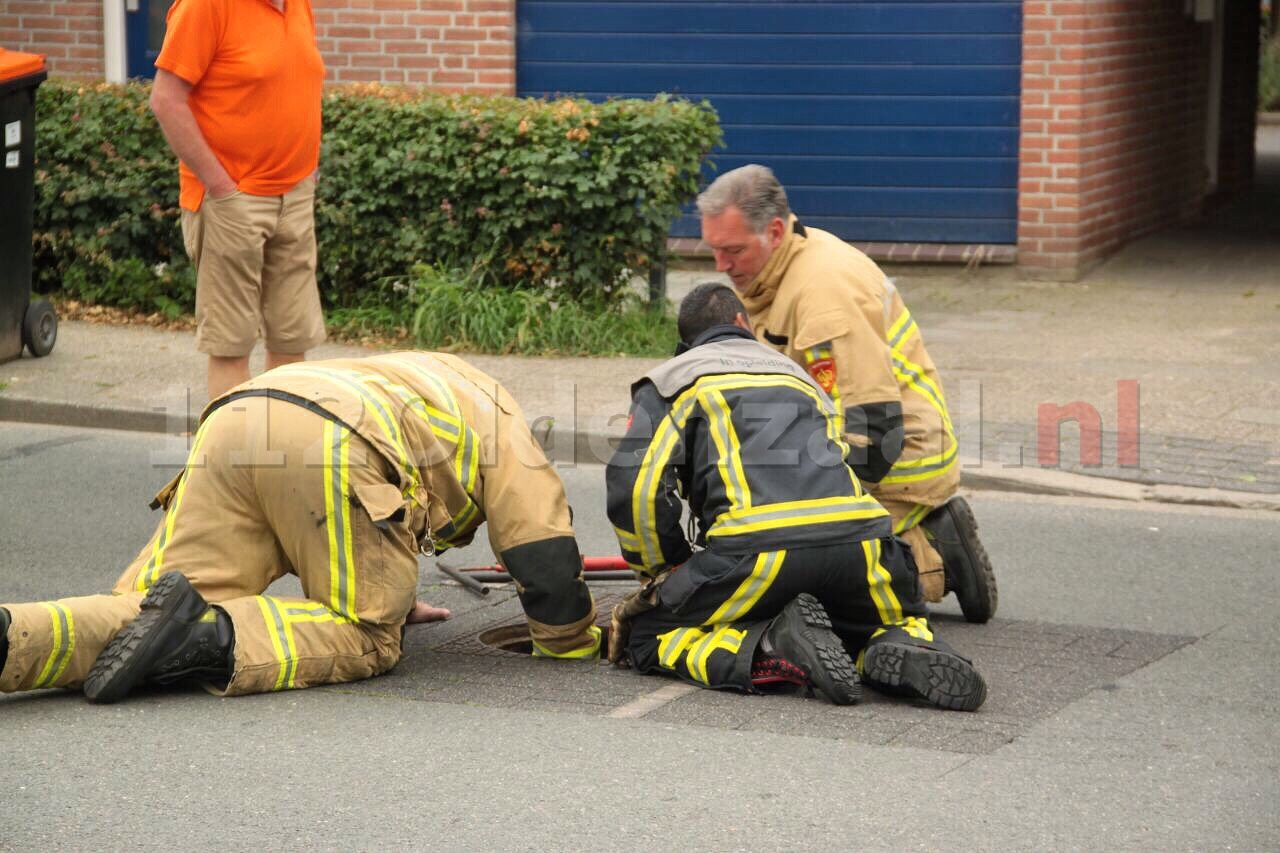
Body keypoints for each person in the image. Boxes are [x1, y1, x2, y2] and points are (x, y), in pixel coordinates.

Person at [0, 352, 601, 702]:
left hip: (240, 417)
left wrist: (395, 582)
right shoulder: (505, 417)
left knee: (138, 609)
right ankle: (209, 636)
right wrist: (569, 642)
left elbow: (406, 484)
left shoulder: (429, 379)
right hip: (338, 441)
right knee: (366, 634)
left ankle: (13, 639)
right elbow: (538, 541)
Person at [604, 284, 986, 711]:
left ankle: (771, 648)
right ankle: (899, 645)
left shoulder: (673, 380)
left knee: (647, 636)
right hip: (864, 549)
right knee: (883, 620)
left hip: (757, 554)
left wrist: (663, 568)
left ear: (685, 344)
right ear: (743, 325)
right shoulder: (798, 377)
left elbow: (634, 489)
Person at [696, 164, 998, 623]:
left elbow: (873, 425)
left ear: (774, 231)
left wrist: (821, 515)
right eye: (715, 251)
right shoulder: (782, 271)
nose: (721, 266)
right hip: (845, 444)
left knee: (807, 579)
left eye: (733, 250)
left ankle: (934, 556)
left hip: (900, 458)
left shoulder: (823, 293)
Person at [150, 0, 328, 399]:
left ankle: (282, 453)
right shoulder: (205, 6)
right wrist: (219, 185)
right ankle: (234, 459)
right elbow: (165, 99)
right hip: (234, 201)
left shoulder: (298, 5)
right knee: (231, 346)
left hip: (295, 196)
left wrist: (307, 170)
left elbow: (297, 82)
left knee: (291, 338)